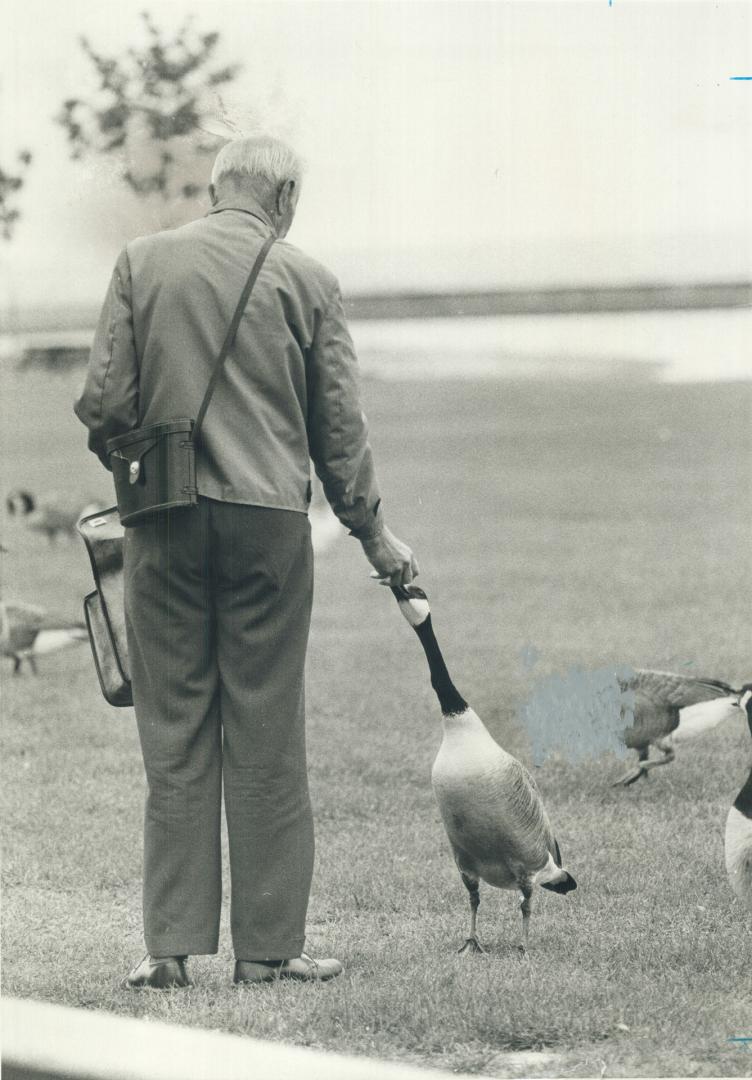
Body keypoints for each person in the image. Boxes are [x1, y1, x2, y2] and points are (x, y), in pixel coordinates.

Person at [74, 134, 418, 988]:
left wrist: (141, 456)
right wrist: (375, 536)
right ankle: (269, 951)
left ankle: (169, 953)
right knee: (266, 727)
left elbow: (103, 402)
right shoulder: (309, 279)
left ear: (216, 189)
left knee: (175, 731)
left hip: (162, 521)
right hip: (268, 527)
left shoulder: (141, 261)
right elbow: (340, 439)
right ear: (285, 196)